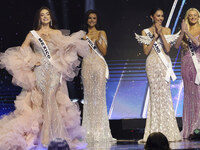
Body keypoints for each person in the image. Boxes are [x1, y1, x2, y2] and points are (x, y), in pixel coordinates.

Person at [0, 6, 89, 149]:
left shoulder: (57, 33)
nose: (45, 17)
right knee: (43, 100)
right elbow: (23, 48)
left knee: (50, 97)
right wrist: (32, 59)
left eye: (47, 14)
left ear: (50, 17)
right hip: (39, 71)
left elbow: (65, 47)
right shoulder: (33, 34)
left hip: (54, 71)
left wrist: (63, 55)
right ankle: (44, 135)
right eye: (42, 15)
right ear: (39, 18)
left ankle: (48, 134)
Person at [135, 8, 181, 142]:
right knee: (154, 96)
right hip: (152, 64)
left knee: (165, 95)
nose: (160, 18)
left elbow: (167, 49)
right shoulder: (146, 32)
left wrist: (161, 35)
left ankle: (168, 130)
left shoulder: (167, 30)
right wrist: (154, 37)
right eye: (158, 16)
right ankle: (154, 130)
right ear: (152, 17)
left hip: (164, 64)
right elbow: (146, 51)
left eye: (162, 16)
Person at [81, 9, 115, 143]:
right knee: (89, 98)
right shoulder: (82, 35)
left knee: (99, 97)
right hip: (87, 65)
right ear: (86, 20)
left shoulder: (102, 33)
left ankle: (101, 131)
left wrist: (96, 41)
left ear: (97, 20)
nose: (91, 20)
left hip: (99, 65)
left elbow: (104, 51)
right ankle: (89, 131)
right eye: (89, 18)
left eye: (94, 18)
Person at [175, 8, 200, 139]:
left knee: (198, 95)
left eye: (195, 15)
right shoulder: (184, 30)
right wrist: (182, 33)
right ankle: (189, 128)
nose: (193, 18)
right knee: (189, 96)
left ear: (198, 17)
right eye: (190, 16)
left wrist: (187, 32)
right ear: (187, 17)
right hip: (186, 64)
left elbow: (197, 43)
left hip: (198, 65)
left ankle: (198, 126)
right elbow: (176, 46)